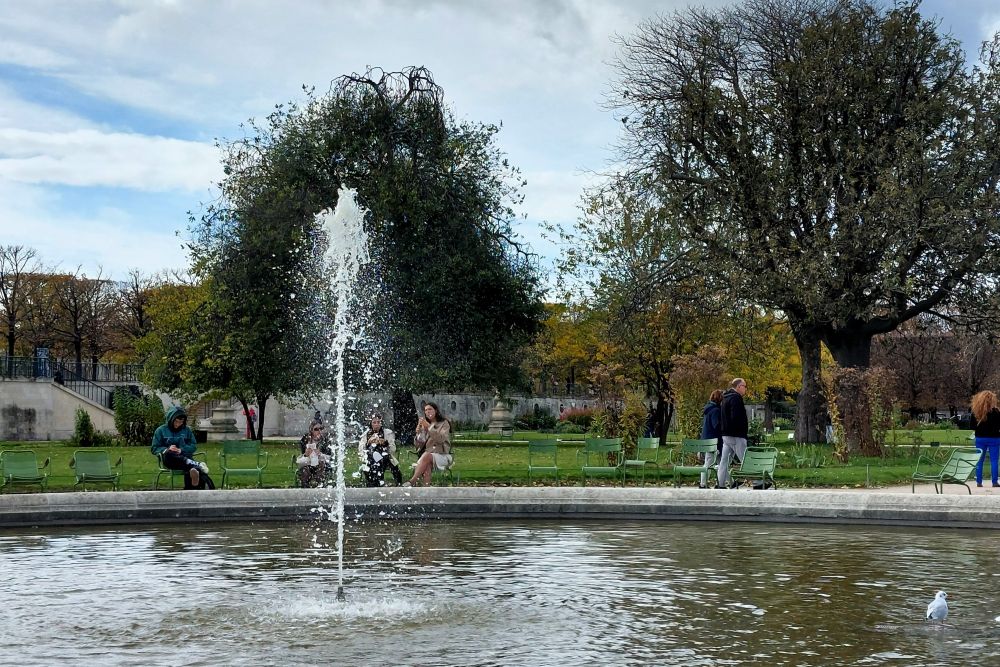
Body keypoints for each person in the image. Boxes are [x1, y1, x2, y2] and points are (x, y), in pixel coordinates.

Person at [151, 406, 213, 490]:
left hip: (185, 457)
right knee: (170, 454)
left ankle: (189, 488)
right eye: (176, 421)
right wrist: (167, 449)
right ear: (171, 419)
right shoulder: (160, 430)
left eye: (181, 422)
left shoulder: (187, 430)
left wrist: (181, 450)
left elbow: (193, 446)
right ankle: (196, 465)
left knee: (192, 469)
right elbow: (154, 448)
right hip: (170, 460)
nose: (178, 424)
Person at [404, 402, 452, 487]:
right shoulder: (425, 425)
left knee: (427, 456)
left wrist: (429, 428)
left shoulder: (444, 423)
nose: (428, 411)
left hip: (443, 455)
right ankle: (426, 490)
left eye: (430, 409)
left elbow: (440, 439)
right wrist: (418, 433)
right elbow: (418, 445)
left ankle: (412, 481)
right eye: (426, 410)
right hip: (428, 457)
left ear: (436, 411)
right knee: (427, 465)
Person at [718, 378, 749, 489]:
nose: (745, 389)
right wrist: (742, 430)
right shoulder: (736, 398)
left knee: (724, 461)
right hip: (736, 435)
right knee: (745, 459)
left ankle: (720, 484)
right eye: (744, 386)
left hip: (726, 434)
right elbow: (736, 417)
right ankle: (758, 481)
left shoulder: (725, 398)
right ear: (739, 386)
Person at [358, 413, 403, 487]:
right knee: (371, 458)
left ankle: (375, 481)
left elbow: (393, 449)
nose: (376, 424)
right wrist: (368, 443)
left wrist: (385, 443)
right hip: (370, 457)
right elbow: (361, 449)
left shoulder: (387, 433)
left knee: (379, 458)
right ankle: (375, 481)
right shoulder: (366, 434)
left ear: (381, 423)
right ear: (371, 424)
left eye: (378, 422)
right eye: (374, 422)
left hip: (385, 457)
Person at [971, 390, 1000, 488]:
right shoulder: (996, 412)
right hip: (994, 438)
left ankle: (979, 481)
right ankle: (994, 481)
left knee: (979, 460)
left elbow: (972, 426)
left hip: (980, 438)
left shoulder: (976, 411)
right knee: (994, 460)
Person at [700, 389, 724, 488]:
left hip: (708, 438)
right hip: (714, 440)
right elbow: (716, 425)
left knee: (721, 462)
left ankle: (729, 481)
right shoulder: (716, 410)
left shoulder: (708, 409)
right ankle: (702, 483)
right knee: (710, 462)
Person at [297, 421, 332, 488]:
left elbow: (329, 457)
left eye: (321, 429)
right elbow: (302, 456)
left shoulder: (325, 440)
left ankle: (319, 487)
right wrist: (306, 454)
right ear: (311, 430)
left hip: (321, 463)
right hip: (308, 463)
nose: (319, 431)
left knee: (322, 467)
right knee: (304, 471)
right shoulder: (305, 439)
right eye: (316, 429)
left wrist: (320, 454)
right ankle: (305, 490)